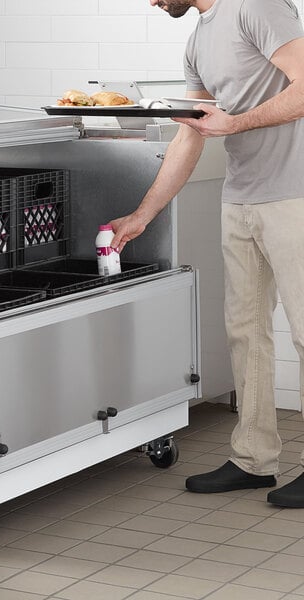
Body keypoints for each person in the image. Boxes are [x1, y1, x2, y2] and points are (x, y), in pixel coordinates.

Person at [110, 0, 304, 508]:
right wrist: (142, 215)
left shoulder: (257, 7)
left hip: (296, 197)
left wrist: (235, 125)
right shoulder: (198, 39)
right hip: (240, 198)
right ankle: (253, 459)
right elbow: (190, 133)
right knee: (245, 331)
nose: (150, 1)